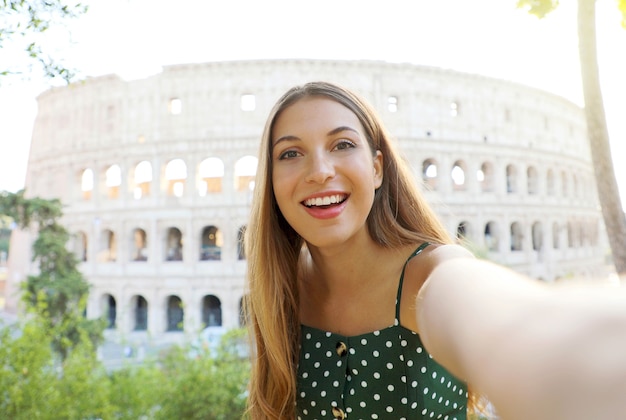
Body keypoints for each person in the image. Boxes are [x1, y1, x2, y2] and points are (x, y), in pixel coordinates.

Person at [244, 81, 626, 420]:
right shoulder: (281, 285)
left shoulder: (428, 273)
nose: (320, 170)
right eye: (290, 154)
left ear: (377, 168)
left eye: (342, 145)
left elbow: (507, 322)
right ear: (271, 182)